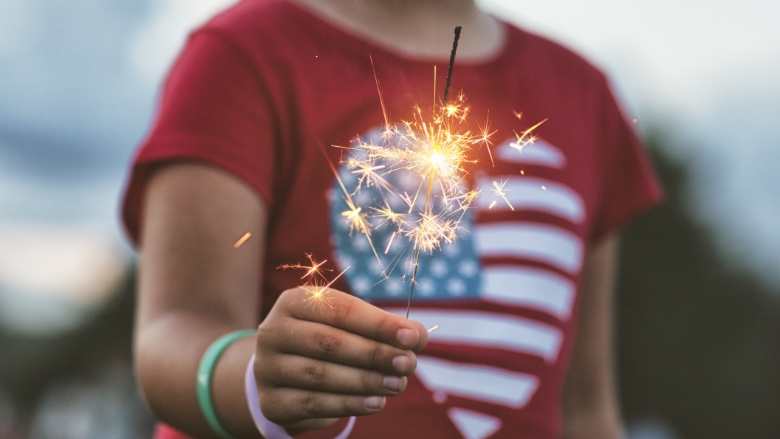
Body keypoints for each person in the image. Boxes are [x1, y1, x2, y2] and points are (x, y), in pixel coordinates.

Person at [121, 0, 662, 438]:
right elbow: (173, 333)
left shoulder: (584, 98)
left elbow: (587, 409)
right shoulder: (242, 57)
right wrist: (252, 381)